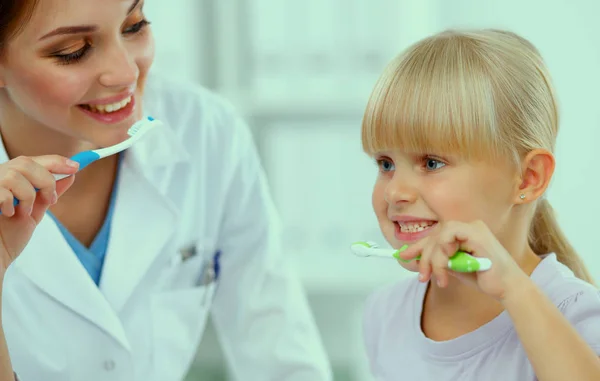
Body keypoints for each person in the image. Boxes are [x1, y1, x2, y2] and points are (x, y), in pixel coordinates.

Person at [0, 0, 333, 380]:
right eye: (72, 52)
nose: (126, 72)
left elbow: (279, 348)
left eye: (134, 26)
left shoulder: (206, 130)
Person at [360, 29, 600, 381]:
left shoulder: (576, 315)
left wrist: (514, 290)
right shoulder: (383, 313)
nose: (395, 192)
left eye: (431, 163)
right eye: (385, 164)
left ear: (528, 178)